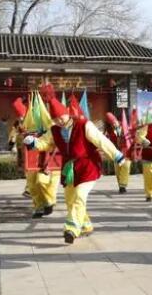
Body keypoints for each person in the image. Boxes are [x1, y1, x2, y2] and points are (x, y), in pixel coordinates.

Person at [24, 86, 125, 244]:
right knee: (70, 199)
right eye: (56, 119)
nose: (59, 121)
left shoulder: (84, 125)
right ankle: (85, 224)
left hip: (88, 167)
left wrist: (116, 155)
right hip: (69, 169)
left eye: (61, 118)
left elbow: (100, 140)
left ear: (67, 113)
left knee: (79, 196)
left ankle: (71, 229)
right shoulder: (55, 130)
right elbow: (45, 143)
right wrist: (34, 143)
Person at [104, 112, 132, 193]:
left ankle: (123, 186)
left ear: (116, 120)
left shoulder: (125, 126)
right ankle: (121, 185)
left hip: (126, 151)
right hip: (116, 151)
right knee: (118, 170)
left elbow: (130, 135)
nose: (114, 124)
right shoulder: (109, 131)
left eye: (114, 122)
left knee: (125, 167)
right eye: (112, 124)